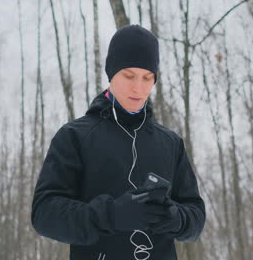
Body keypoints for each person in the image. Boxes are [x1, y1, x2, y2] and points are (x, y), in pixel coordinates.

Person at [31, 24, 206, 260]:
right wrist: (110, 215)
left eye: (147, 77)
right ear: (111, 73)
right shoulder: (75, 136)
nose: (138, 87)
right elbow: (44, 214)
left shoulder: (170, 143)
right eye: (129, 75)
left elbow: (196, 216)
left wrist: (174, 218)